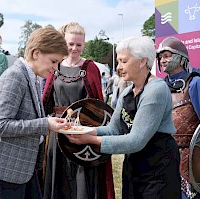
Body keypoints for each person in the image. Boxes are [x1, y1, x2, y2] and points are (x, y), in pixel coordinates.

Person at [65, 36, 181, 199]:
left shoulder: (156, 90)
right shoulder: (127, 92)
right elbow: (114, 129)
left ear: (142, 61)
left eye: (123, 61)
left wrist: (90, 140)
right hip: (134, 165)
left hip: (158, 168)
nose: (118, 67)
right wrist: (83, 130)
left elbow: (136, 140)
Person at [0, 27, 69, 199]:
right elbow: (0, 126)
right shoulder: (15, 77)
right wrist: (45, 124)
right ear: (36, 53)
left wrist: (49, 120)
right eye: (53, 61)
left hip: (22, 167)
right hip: (8, 169)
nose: (56, 68)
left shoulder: (32, 76)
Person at [42, 22, 115, 199]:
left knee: (81, 180)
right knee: (58, 177)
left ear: (84, 44)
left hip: (81, 131)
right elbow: (46, 101)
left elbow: (98, 108)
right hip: (57, 131)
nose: (74, 48)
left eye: (79, 44)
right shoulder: (55, 66)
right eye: (71, 44)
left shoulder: (90, 68)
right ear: (64, 42)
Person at [156, 36, 200, 199]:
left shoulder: (195, 83)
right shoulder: (158, 86)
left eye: (167, 55)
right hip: (162, 157)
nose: (162, 60)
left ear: (181, 58)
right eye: (160, 57)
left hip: (189, 160)